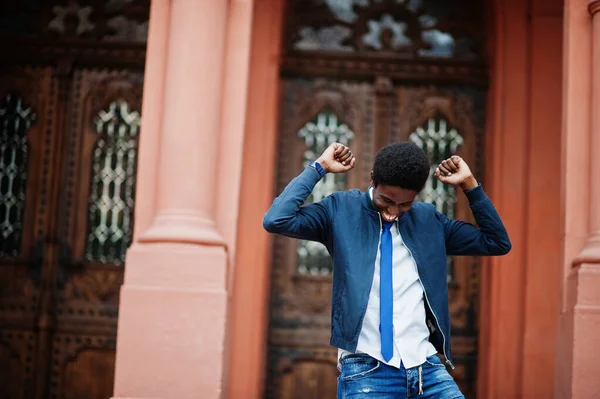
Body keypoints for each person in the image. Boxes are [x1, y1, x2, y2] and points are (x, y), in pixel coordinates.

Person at [263, 141, 511, 398]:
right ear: (372, 180)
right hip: (365, 371)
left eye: (404, 205)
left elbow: (497, 242)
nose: (393, 213)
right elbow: (276, 219)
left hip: (427, 369)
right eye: (386, 200)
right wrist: (320, 167)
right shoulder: (339, 210)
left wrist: (469, 184)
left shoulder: (429, 221)